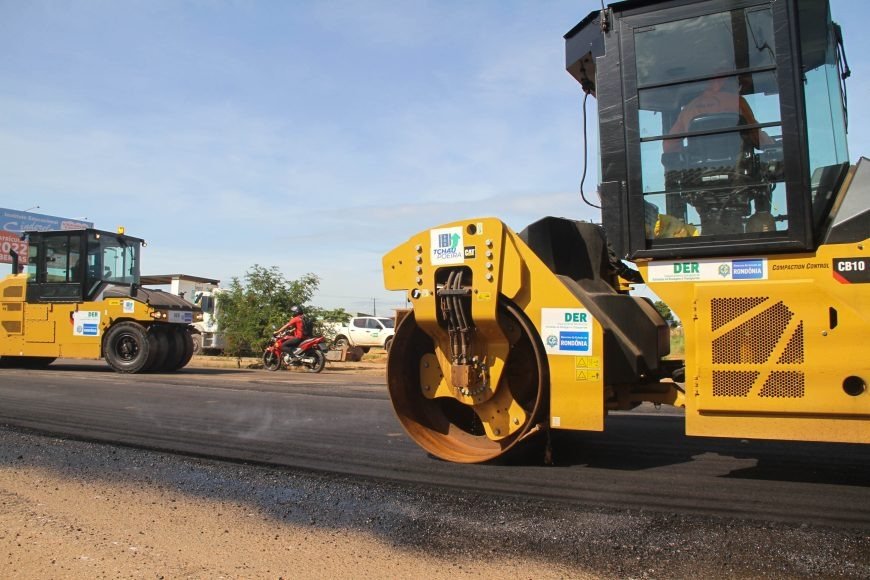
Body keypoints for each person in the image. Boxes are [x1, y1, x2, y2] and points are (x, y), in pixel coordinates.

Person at [664, 76, 773, 153]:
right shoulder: (737, 102)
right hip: (736, 169)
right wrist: (771, 143)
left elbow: (669, 145)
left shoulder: (688, 109)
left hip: (700, 172)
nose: (738, 88)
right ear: (722, 83)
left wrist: (689, 155)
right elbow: (756, 137)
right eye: (738, 84)